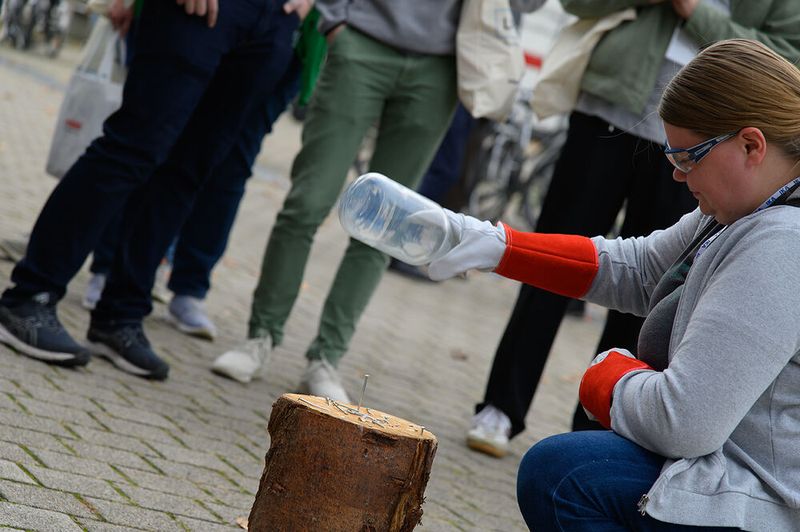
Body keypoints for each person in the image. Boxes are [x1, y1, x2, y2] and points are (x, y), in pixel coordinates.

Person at [427, 38, 800, 531]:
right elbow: (642, 269)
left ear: (751, 145)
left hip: (767, 496)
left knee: (562, 475)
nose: (677, 175)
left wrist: (607, 379)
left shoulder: (783, 243)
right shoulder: (756, 205)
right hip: (738, 465)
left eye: (688, 158)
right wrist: (497, 246)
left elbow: (683, 423)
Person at [210, 0, 547, 398]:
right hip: (361, 40)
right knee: (307, 201)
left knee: (387, 226)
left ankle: (326, 358)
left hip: (439, 68)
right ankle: (260, 337)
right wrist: (336, 19)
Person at [0, 0, 306, 380]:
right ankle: (29, 297)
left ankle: (120, 315)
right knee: (132, 147)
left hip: (273, 19)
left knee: (189, 171)